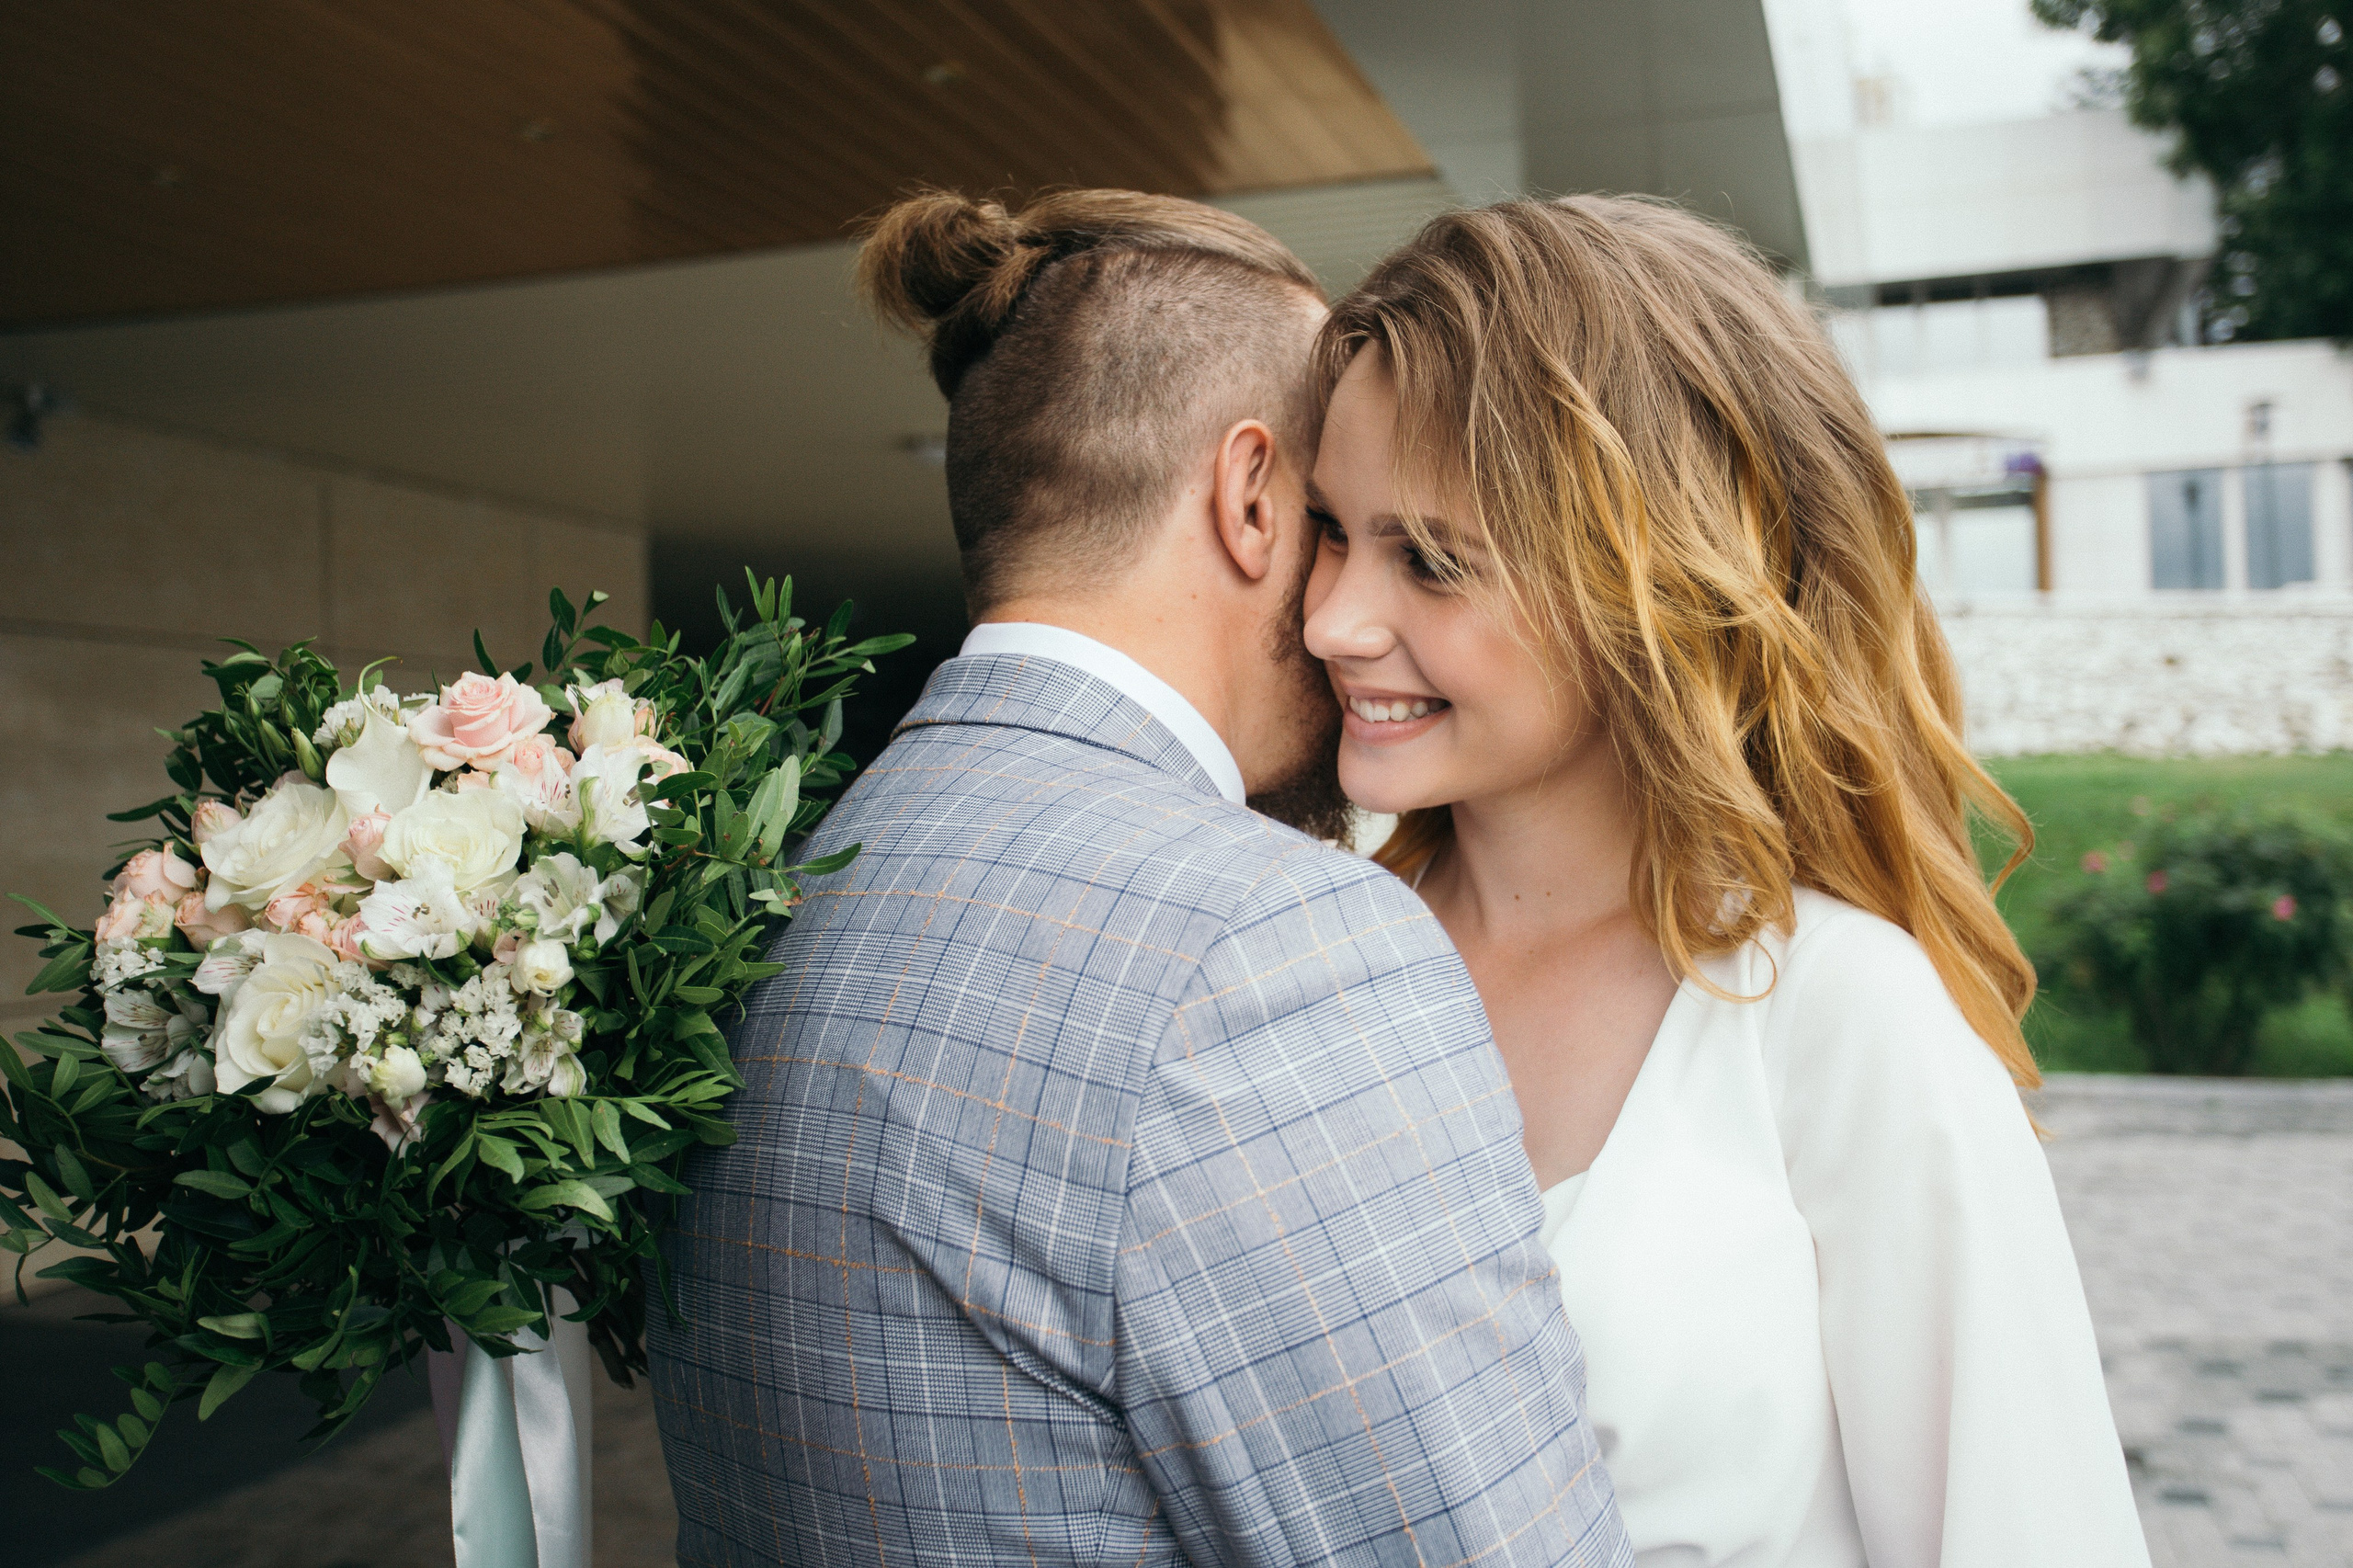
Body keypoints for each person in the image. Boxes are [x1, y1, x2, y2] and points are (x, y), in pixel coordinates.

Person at [648, 187, 1631, 1567]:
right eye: (1334, 522)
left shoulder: (781, 896)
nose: (1350, 613)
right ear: (1246, 498)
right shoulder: (1270, 948)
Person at [1302, 195, 2152, 1567]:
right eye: (1329, 531)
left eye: (1431, 557)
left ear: (1657, 571)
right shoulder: (1298, 960)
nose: (1330, 617)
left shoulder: (1848, 1017)